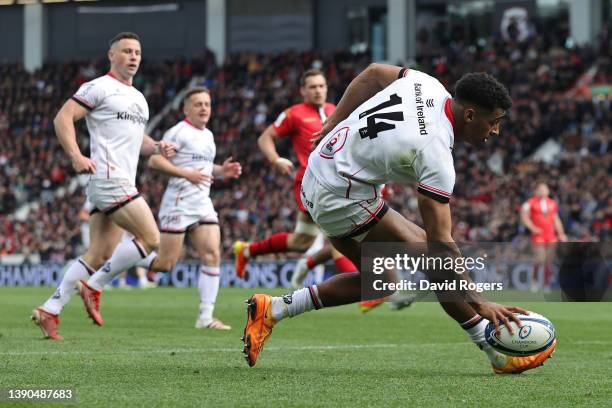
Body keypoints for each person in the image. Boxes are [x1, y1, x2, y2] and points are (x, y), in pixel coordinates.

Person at [242, 64, 556, 374]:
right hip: (339, 193)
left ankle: (273, 309)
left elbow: (375, 73)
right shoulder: (436, 154)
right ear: (471, 115)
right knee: (433, 260)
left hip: (321, 167)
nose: (496, 131)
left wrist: (334, 120)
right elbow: (441, 246)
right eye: (494, 121)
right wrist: (479, 302)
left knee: (379, 281)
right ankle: (495, 354)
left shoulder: (427, 84)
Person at [31, 32, 176, 339]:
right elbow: (63, 118)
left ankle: (49, 310)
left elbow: (138, 142)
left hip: (116, 181)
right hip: (110, 178)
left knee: (97, 254)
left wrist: (158, 147)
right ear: (112, 56)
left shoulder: (139, 99)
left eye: (137, 51)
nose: (133, 56)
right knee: (150, 239)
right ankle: (94, 286)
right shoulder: (98, 87)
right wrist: (75, 155)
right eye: (126, 51)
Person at [233, 69, 358, 281]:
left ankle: (247, 251)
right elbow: (265, 138)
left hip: (336, 180)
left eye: (321, 86)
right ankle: (364, 290)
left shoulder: (334, 110)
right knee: (342, 230)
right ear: (303, 90)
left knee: (302, 242)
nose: (318, 90)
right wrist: (275, 159)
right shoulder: (294, 113)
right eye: (312, 87)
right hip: (313, 182)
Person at [143, 87, 241, 330]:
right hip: (179, 202)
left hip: (202, 203)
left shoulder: (208, 135)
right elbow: (154, 160)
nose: (204, 108)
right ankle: (123, 258)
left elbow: (203, 168)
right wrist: (185, 174)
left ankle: (205, 317)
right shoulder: (178, 132)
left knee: (212, 254)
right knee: (166, 263)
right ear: (186, 108)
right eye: (197, 104)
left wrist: (221, 171)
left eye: (207, 103)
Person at [521, 182, 567, 291]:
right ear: (536, 191)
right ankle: (534, 281)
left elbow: (556, 219)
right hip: (538, 235)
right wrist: (533, 228)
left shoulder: (552, 203)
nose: (543, 191)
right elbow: (524, 217)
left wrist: (561, 233)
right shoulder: (530, 203)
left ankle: (546, 285)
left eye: (544, 189)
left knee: (548, 261)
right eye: (540, 189)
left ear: (548, 191)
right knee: (539, 258)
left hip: (550, 235)